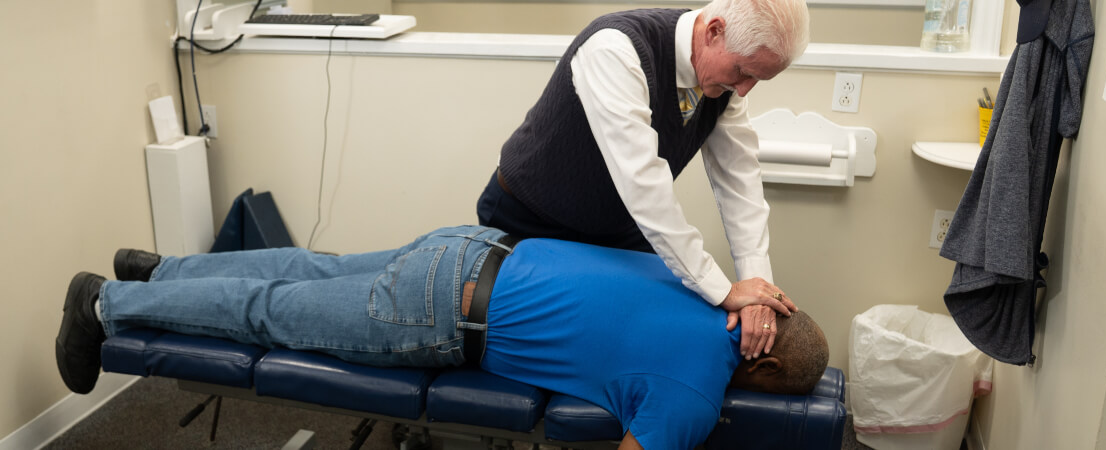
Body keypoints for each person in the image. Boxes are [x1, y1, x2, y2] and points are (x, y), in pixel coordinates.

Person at [56, 225, 828, 450]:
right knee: (274, 312)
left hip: (472, 246)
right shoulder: (692, 398)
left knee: (307, 268)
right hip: (439, 314)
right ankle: (107, 305)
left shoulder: (701, 281)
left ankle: (160, 271)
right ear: (756, 370)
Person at [476, 0, 811, 358]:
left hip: (616, 225)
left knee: (649, 333)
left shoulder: (726, 84)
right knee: (542, 347)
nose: (745, 90)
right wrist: (724, 290)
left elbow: (740, 184)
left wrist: (758, 292)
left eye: (758, 79)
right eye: (744, 72)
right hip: (529, 216)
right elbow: (645, 188)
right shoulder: (615, 49)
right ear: (714, 32)